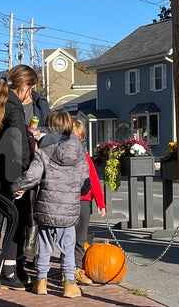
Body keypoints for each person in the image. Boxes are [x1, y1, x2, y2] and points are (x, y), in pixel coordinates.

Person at [11, 110, 88, 298]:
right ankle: (69, 284)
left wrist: (16, 186)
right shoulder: (79, 150)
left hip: (46, 206)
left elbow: (33, 175)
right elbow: (84, 180)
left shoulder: (44, 148)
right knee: (68, 247)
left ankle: (41, 282)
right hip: (69, 208)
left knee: (45, 245)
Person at [0, 64, 37, 291]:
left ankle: (10, 267)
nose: (32, 93)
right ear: (24, 86)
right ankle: (7, 271)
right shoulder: (15, 109)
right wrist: (24, 177)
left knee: (4, 222)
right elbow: (18, 146)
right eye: (31, 88)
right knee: (17, 223)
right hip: (13, 174)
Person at [18, 90, 50, 282]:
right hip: (18, 162)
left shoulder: (41, 104)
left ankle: (32, 252)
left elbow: (49, 129)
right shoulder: (9, 100)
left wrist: (41, 137)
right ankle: (22, 255)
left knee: (35, 211)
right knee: (23, 212)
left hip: (37, 158)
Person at [71, 118, 106, 285]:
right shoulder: (62, 157)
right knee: (67, 238)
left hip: (84, 203)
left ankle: (77, 268)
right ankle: (67, 269)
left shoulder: (86, 158)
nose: (77, 142)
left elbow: (94, 182)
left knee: (80, 238)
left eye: (80, 138)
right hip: (68, 202)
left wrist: (101, 203)